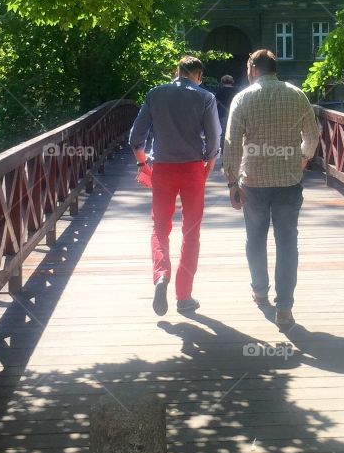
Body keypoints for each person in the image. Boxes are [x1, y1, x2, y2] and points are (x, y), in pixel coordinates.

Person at [222, 49, 320, 329]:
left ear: (253, 69)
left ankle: (260, 290)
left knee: (255, 237)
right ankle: (285, 308)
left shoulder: (243, 98)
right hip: (288, 181)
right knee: (287, 243)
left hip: (252, 181)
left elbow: (231, 143)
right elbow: (312, 136)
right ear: (274, 68)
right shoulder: (296, 94)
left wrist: (231, 182)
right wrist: (303, 158)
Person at [129, 55, 221, 316]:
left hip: (163, 170)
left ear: (176, 72)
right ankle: (184, 296)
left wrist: (142, 164)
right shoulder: (205, 97)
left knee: (160, 228)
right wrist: (209, 165)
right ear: (198, 75)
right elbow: (214, 139)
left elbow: (136, 137)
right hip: (193, 169)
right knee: (191, 232)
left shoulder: (155, 94)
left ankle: (160, 276)